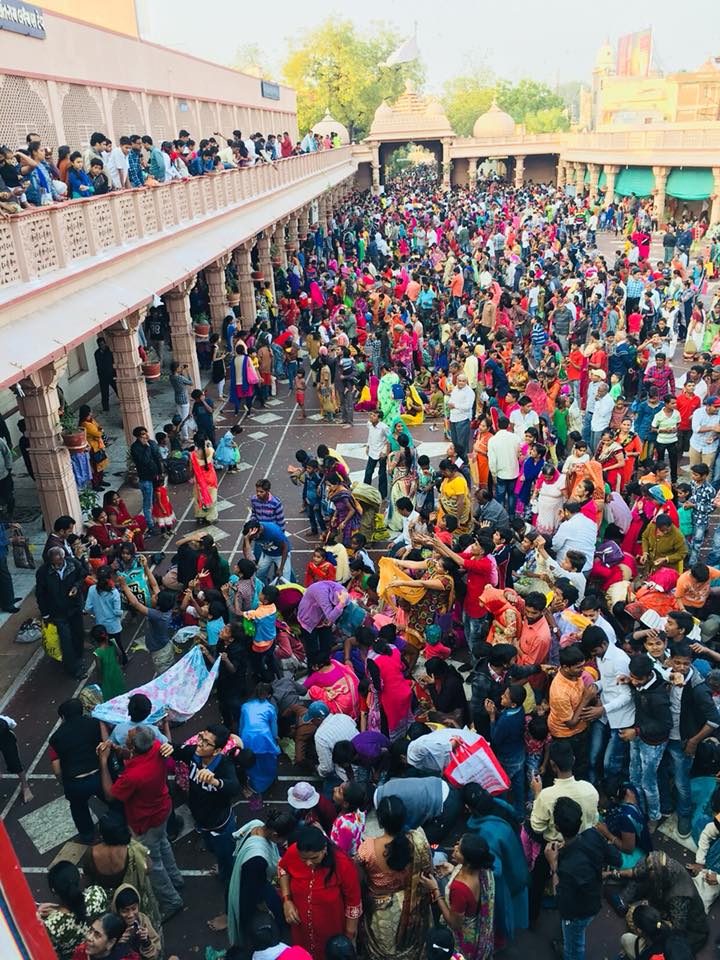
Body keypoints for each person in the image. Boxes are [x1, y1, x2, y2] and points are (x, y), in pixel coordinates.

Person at [96, 726, 183, 921]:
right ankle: (176, 879)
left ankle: (171, 900)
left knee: (153, 863)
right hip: (163, 808)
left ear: (132, 746)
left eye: (129, 737)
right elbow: (134, 755)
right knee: (163, 844)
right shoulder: (156, 747)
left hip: (146, 819)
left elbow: (111, 795)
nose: (127, 735)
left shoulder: (133, 776)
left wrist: (103, 762)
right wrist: (120, 751)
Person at [159, 725, 240, 893]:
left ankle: (229, 883)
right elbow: (179, 749)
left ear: (217, 750)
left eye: (206, 742)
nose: (199, 743)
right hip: (201, 821)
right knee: (212, 849)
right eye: (201, 737)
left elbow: (234, 787)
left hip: (220, 826)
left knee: (227, 858)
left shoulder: (224, 765)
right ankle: (222, 864)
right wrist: (169, 747)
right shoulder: (195, 753)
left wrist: (216, 782)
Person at [356, 796, 432, 959]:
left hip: (380, 909)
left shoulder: (367, 849)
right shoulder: (417, 842)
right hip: (410, 904)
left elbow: (360, 880)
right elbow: (428, 871)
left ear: (380, 822)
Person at [547, 796, 622, 960]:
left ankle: (570, 952)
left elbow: (559, 902)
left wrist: (553, 866)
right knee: (574, 938)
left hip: (578, 913)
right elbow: (617, 859)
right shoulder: (593, 836)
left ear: (557, 827)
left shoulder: (565, 867)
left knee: (575, 946)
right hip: (594, 897)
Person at [278, 825, 362, 958]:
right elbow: (283, 869)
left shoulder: (343, 864)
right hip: (302, 930)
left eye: (314, 858)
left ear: (324, 850)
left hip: (331, 932)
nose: (308, 864)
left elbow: (353, 904)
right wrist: (287, 901)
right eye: (303, 859)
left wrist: (349, 937)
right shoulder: (294, 851)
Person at [225, 810, 297, 946]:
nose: (284, 842)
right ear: (275, 834)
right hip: (252, 889)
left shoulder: (256, 824)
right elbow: (253, 892)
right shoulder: (258, 859)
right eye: (283, 838)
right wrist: (264, 908)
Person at [420, 833, 496, 960]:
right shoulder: (482, 868)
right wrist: (453, 869)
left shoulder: (460, 889)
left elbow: (454, 923)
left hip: (464, 935)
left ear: (468, 861)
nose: (455, 848)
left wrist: (435, 890)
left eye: (459, 850)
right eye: (457, 844)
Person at [38, 861, 109, 960]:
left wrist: (38, 917)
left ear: (54, 891)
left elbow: (51, 954)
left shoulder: (52, 926)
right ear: (79, 877)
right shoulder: (97, 894)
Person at [36, 546, 87, 678]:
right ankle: (73, 669)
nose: (57, 565)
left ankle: (79, 657)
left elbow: (83, 576)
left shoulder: (73, 564)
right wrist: (45, 614)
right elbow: (40, 594)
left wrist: (76, 586)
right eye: (54, 563)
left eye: (59, 562)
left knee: (78, 634)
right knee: (66, 640)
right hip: (57, 612)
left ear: (64, 558)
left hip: (74, 607)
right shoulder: (43, 572)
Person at [239, 682, 281, 800]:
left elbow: (242, 725)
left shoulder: (245, 706)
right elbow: (274, 727)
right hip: (264, 738)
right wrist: (276, 738)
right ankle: (267, 781)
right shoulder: (269, 707)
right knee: (268, 760)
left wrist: (240, 739)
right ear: (268, 695)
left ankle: (254, 783)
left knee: (251, 761)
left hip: (247, 737)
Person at [129, 427, 164, 535]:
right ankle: (150, 525)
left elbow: (157, 457)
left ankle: (156, 519)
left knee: (155, 500)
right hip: (145, 479)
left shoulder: (151, 443)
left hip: (155, 477)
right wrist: (146, 448)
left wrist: (160, 473)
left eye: (146, 433)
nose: (146, 436)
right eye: (143, 434)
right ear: (138, 437)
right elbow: (144, 461)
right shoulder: (135, 448)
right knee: (147, 503)